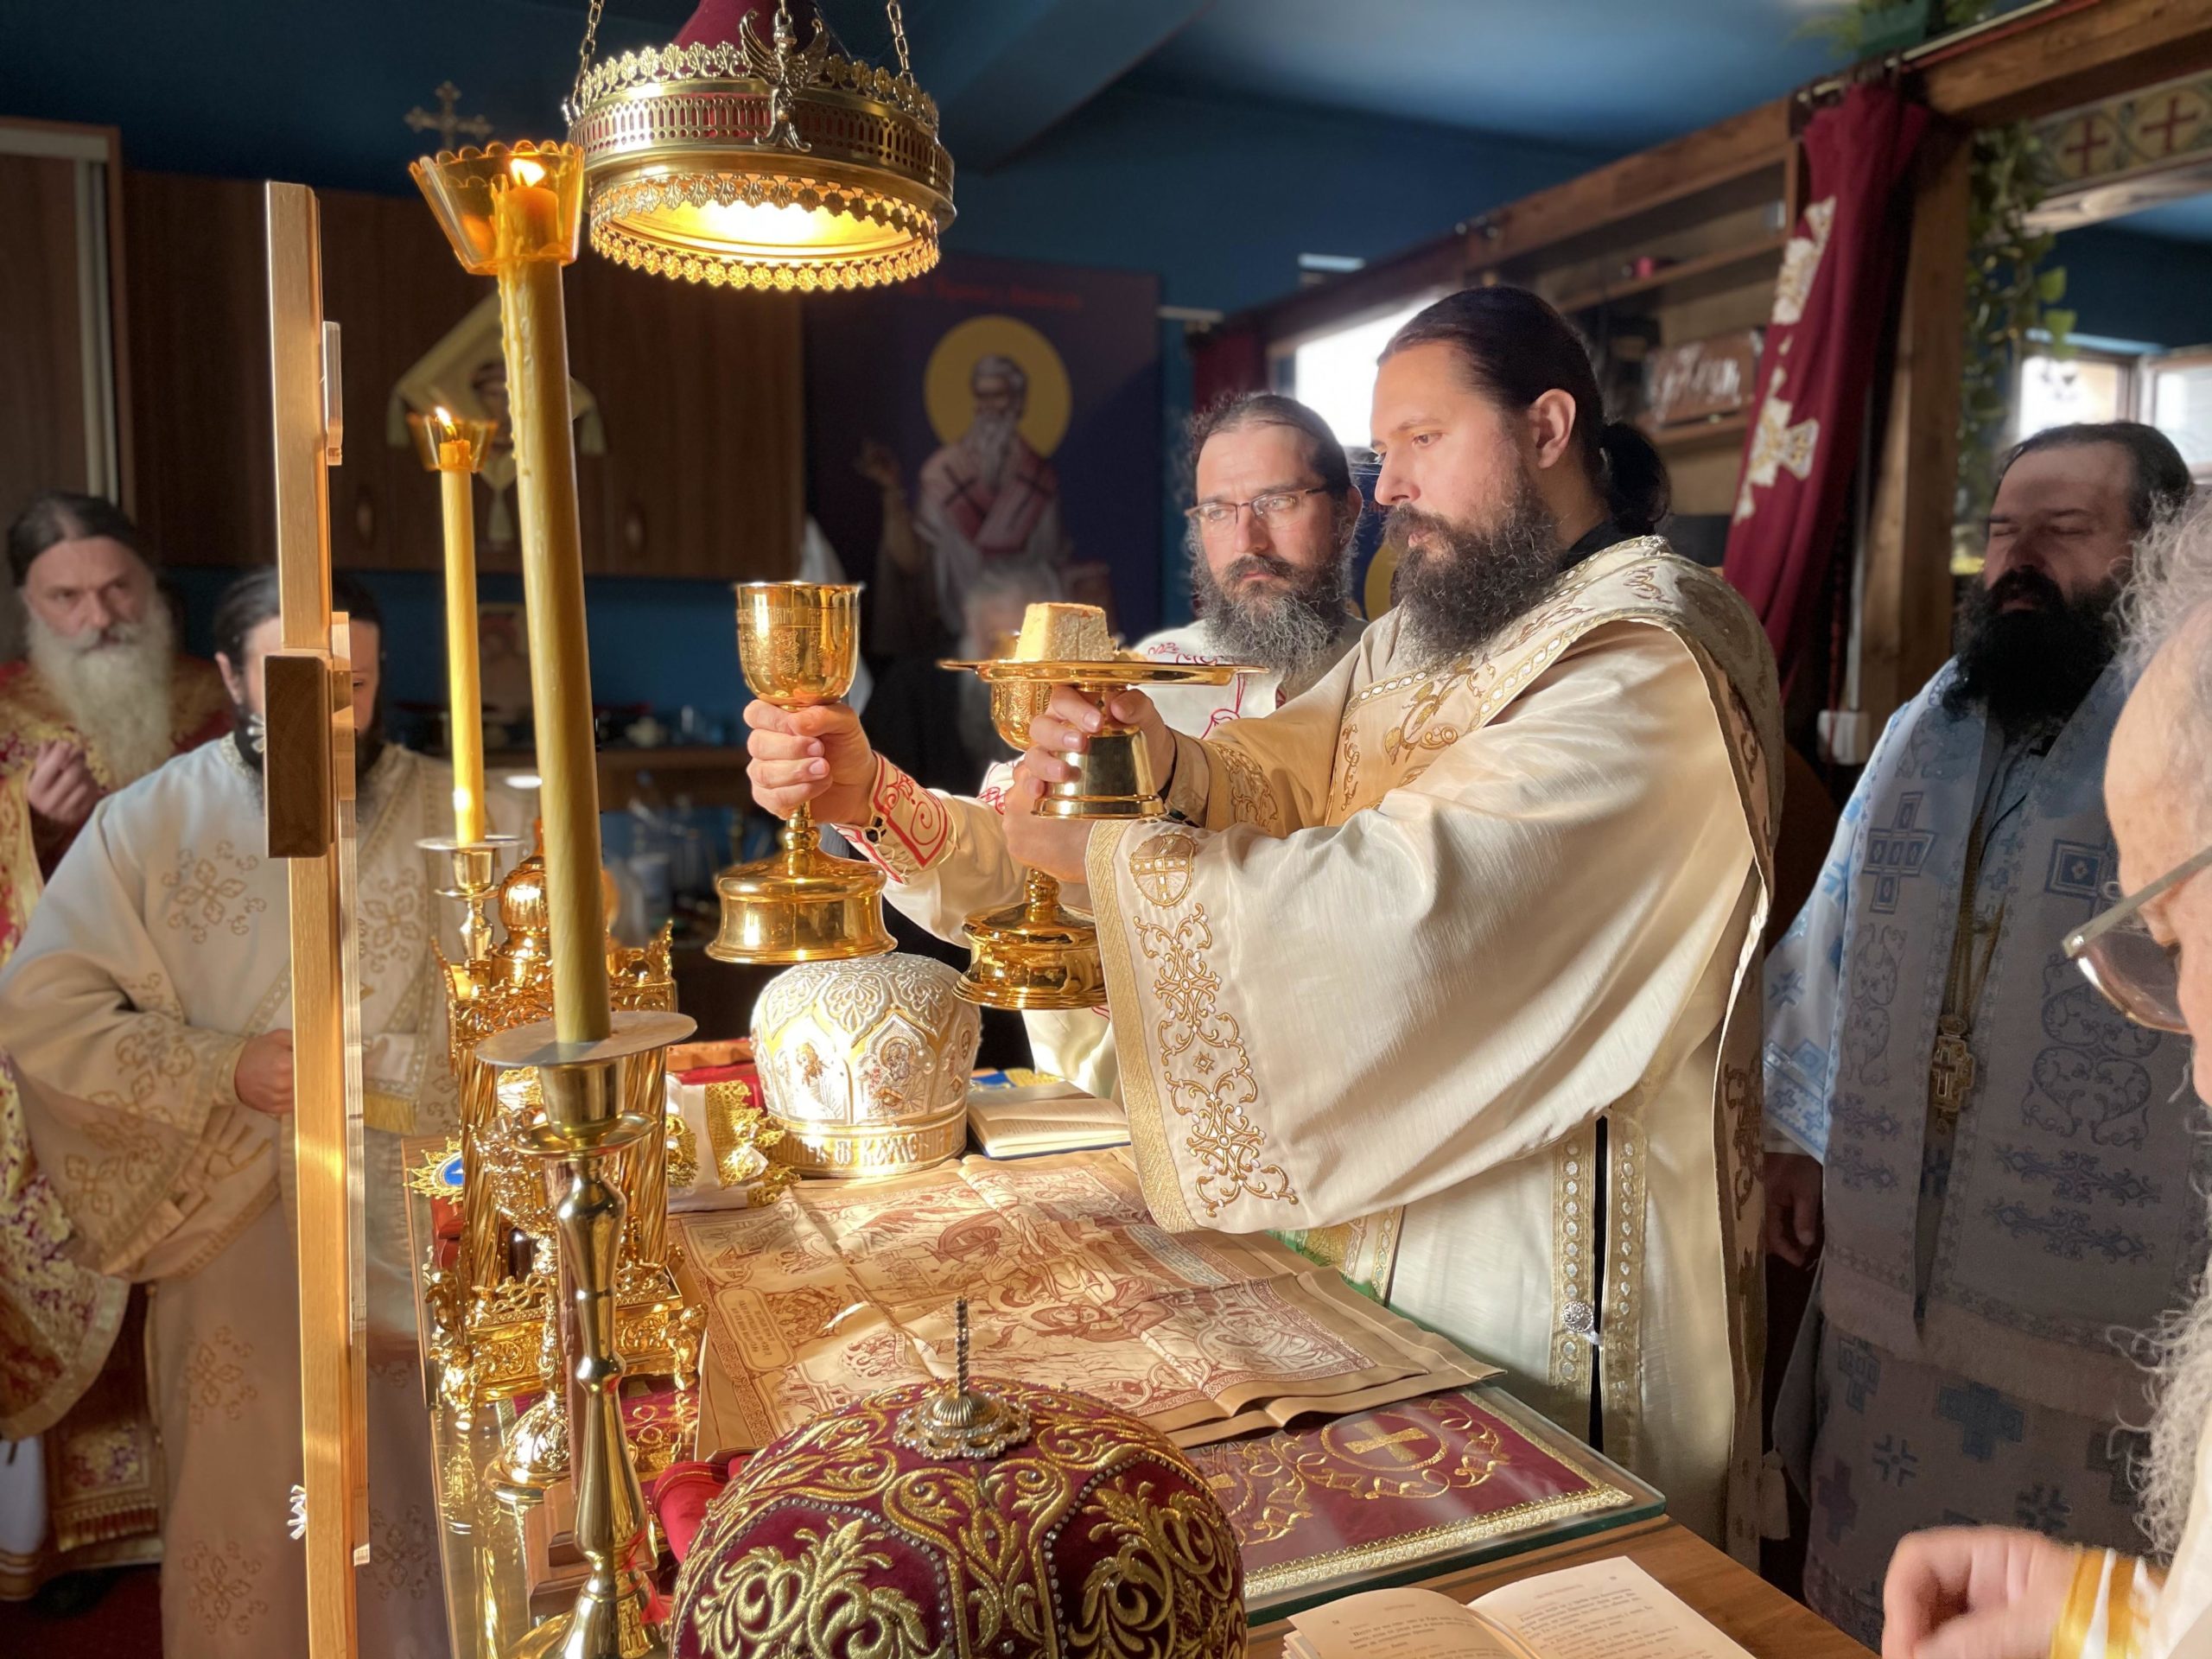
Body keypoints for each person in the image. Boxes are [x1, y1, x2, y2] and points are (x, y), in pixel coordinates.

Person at [748, 288, 1782, 1554]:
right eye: (1381, 451)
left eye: (1420, 441)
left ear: (1548, 427)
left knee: (1551, 1592)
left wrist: (1116, 855)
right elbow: (1277, 774)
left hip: (1551, 1263)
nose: (1393, 485)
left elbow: (1415, 910)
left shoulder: (1645, 655)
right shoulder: (1426, 641)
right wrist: (1150, 764)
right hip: (1367, 1229)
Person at [0, 567, 513, 1657]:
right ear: (231, 678)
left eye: (354, 687)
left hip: (432, 1212)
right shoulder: (149, 824)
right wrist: (223, 1069)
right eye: (293, 685)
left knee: (433, 1496)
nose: (329, 714)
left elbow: (558, 998)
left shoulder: (478, 816)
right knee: (258, 1501)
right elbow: (44, 1009)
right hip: (238, 1214)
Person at [1762, 423, 2199, 1644]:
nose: (2018, 562)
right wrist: (1797, 1133)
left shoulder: (2186, 731)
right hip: (1891, 1273)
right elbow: (1836, 931)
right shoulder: (1930, 725)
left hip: (2103, 1309)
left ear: (2156, 549)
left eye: (2063, 531)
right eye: (2004, 533)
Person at [789, 391, 1368, 1101]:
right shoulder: (1142, 673)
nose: (1248, 540)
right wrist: (868, 797)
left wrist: (1117, 853)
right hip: (1136, 1103)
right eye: (1218, 511)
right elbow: (1017, 866)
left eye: (1278, 502)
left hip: (1337, 1095)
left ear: (1346, 512)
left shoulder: (1406, 691)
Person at [1877, 498, 2212, 1659]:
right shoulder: (1930, 725)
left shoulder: (2150, 716)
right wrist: (2113, 1620)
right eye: (2004, 525)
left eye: (2173, 945)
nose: (2198, 1070)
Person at [0, 491, 232, 1596]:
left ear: (152, 588)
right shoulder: (4, 718)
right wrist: (37, 834)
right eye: (66, 598)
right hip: (58, 1053)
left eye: (117, 590)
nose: (98, 618)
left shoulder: (215, 706)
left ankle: (209, 1498)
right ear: (28, 605)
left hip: (204, 1036)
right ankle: (65, 1537)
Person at [861, 353, 1075, 652]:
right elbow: (913, 561)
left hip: (1027, 642)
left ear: (1018, 402)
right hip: (956, 635)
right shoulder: (943, 472)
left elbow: (1051, 563)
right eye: (981, 396)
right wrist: (892, 491)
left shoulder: (1038, 478)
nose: (989, 406)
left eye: (998, 395)